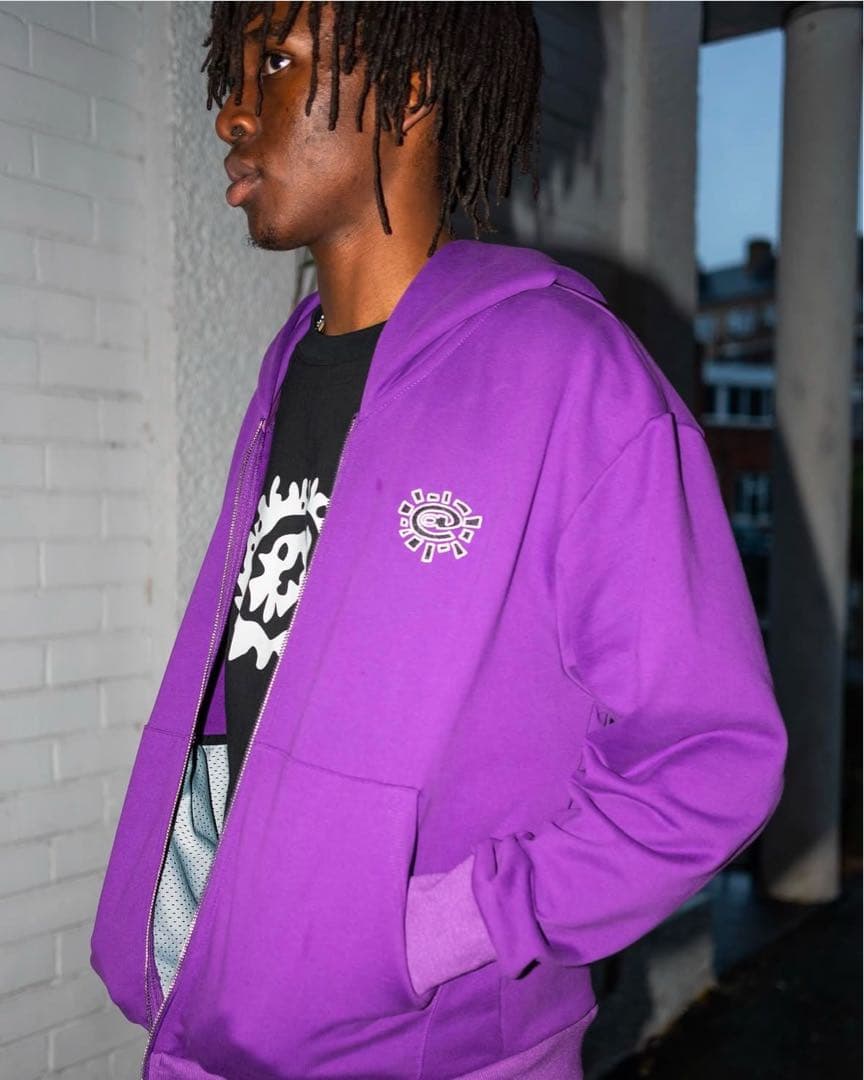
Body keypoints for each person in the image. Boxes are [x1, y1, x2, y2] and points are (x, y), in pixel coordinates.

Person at [90, 3, 788, 1077]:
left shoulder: (568, 370)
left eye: (276, 62)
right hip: (215, 1021)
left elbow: (707, 758)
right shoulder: (294, 365)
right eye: (234, 73)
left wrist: (437, 930)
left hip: (438, 1045)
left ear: (410, 87)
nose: (233, 112)